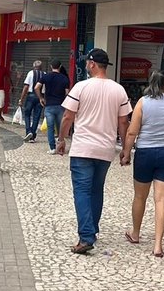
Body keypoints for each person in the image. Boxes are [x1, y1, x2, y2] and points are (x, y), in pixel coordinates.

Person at [56, 49, 131, 255]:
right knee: (96, 190)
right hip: (105, 150)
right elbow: (123, 121)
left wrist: (61, 140)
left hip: (82, 148)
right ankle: (92, 230)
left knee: (81, 191)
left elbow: (68, 117)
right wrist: (125, 149)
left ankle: (86, 237)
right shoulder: (119, 90)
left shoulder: (81, 87)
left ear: (91, 64)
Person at [122, 71, 164, 258]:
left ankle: (135, 233)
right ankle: (158, 245)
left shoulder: (142, 102)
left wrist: (126, 153)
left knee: (140, 196)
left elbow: (132, 132)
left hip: (146, 153)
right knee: (161, 199)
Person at [38, 60, 71, 155]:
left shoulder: (46, 77)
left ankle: (52, 148)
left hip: (49, 106)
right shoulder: (65, 78)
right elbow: (67, 93)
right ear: (60, 66)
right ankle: (60, 145)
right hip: (60, 106)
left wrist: (41, 98)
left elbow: (37, 87)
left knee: (50, 127)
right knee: (61, 127)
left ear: (51, 66)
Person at [19, 60, 45, 142]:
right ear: (41, 67)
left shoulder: (30, 73)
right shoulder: (44, 74)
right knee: (36, 117)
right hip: (40, 97)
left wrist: (21, 99)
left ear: (34, 66)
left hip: (31, 96)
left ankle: (28, 132)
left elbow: (26, 87)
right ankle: (33, 136)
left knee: (27, 114)